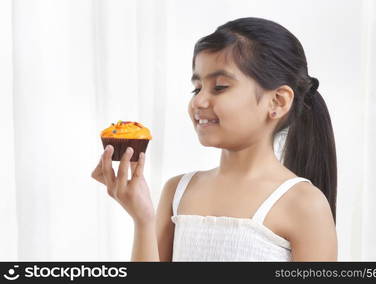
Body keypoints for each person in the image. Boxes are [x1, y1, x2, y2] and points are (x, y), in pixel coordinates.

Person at [91, 17, 338, 261]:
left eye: (220, 87)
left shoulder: (305, 204)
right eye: (197, 88)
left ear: (278, 101)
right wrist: (142, 219)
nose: (199, 101)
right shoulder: (178, 190)